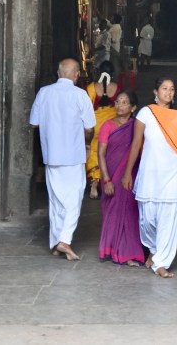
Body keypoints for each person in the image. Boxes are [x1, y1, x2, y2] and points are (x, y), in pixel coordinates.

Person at [122, 76, 177, 277]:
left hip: (172, 174)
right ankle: (153, 249)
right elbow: (136, 144)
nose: (168, 92)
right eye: (164, 88)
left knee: (169, 220)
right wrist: (127, 172)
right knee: (147, 220)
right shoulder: (146, 112)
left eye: (172, 89)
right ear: (155, 92)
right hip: (150, 175)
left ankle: (161, 262)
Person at [29, 58, 96, 260]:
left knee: (56, 201)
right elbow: (89, 128)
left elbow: (33, 124)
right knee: (74, 199)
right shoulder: (80, 95)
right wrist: (86, 141)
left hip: (51, 155)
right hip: (73, 155)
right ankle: (65, 240)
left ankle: (56, 243)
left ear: (59, 74)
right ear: (76, 75)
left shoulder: (44, 92)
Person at [97, 90, 144, 265]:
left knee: (129, 213)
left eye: (124, 102)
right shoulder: (107, 125)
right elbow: (101, 154)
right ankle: (112, 248)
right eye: (117, 102)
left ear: (133, 108)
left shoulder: (137, 127)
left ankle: (127, 252)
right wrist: (106, 180)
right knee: (113, 213)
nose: (119, 105)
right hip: (111, 176)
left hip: (130, 175)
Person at [85, 62, 120, 199]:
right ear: (112, 74)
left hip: (95, 125)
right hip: (112, 126)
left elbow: (85, 108)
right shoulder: (117, 88)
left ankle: (94, 182)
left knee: (94, 151)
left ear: (99, 73)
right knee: (109, 152)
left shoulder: (91, 88)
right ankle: (109, 180)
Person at [108, 13, 122, 81]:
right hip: (115, 48)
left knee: (114, 65)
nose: (111, 19)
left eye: (112, 17)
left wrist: (107, 39)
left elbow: (114, 40)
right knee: (114, 65)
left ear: (115, 19)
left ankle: (115, 80)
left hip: (113, 48)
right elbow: (109, 23)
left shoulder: (115, 28)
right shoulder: (116, 26)